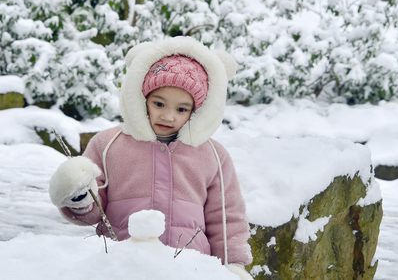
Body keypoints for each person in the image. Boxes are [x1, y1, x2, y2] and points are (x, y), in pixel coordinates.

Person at [49, 36, 253, 279]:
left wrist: (233, 265)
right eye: (159, 104)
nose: (168, 116)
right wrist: (80, 197)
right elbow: (94, 207)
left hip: (189, 269)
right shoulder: (108, 145)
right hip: (123, 266)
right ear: (142, 98)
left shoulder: (213, 156)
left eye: (181, 109)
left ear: (196, 110)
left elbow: (227, 218)